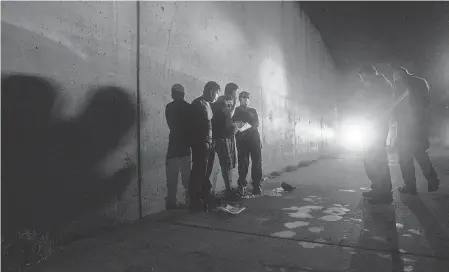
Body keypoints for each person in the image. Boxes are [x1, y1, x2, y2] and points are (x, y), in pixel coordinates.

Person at [392, 67, 440, 194]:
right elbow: (426, 103)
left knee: (404, 157)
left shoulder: (399, 84)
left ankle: (410, 186)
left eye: (395, 77)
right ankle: (432, 180)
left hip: (406, 125)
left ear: (398, 75)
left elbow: (397, 105)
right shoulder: (421, 82)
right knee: (419, 153)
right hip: (419, 123)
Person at [358, 65, 394, 204]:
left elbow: (378, 106)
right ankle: (377, 188)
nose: (362, 80)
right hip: (373, 126)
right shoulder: (378, 84)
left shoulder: (380, 85)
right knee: (371, 159)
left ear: (370, 74)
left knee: (376, 160)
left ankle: (384, 193)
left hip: (376, 127)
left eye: (363, 77)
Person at [189, 81, 221, 211]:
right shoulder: (198, 104)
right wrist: (203, 142)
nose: (217, 97)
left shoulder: (207, 104)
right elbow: (197, 127)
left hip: (208, 142)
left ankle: (205, 196)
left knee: (206, 171)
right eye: (217, 94)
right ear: (212, 91)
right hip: (201, 143)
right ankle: (195, 201)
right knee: (199, 171)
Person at [164, 84, 192, 210]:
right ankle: (189, 199)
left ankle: (171, 201)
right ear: (183, 94)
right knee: (187, 177)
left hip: (173, 147)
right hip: (185, 146)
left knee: (172, 178)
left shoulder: (169, 107)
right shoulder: (188, 108)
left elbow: (171, 125)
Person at [210, 83, 239, 198]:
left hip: (227, 136)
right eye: (235, 93)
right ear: (230, 92)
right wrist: (235, 105)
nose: (235, 95)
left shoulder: (226, 101)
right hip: (221, 137)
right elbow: (229, 115)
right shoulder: (220, 101)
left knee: (228, 163)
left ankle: (229, 187)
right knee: (225, 163)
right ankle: (228, 189)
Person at [232, 91, 263, 196]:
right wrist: (246, 126)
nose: (246, 99)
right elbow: (236, 124)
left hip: (254, 139)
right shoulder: (236, 110)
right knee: (243, 164)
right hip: (242, 141)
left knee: (257, 163)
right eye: (244, 97)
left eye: (248, 97)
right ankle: (241, 185)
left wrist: (244, 125)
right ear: (240, 99)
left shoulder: (253, 110)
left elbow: (256, 123)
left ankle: (257, 185)